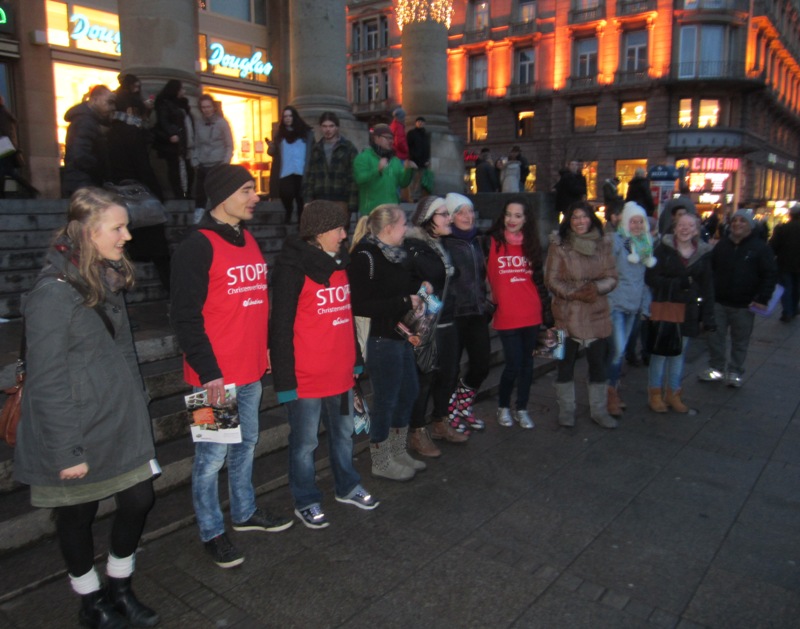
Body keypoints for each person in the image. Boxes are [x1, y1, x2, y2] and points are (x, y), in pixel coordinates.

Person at [14, 187, 159, 628]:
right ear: (87, 233)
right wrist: (66, 452)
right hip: (75, 429)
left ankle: (120, 584)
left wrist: (138, 408)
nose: (127, 235)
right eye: (117, 227)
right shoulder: (53, 294)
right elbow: (47, 380)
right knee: (77, 514)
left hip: (116, 421)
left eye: (126, 225)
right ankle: (90, 599)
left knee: (139, 498)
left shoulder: (104, 278)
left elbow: (124, 355)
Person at [170, 164, 293, 569]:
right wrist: (209, 373)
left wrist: (267, 350)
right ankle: (212, 530)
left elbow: (258, 303)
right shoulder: (196, 246)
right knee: (210, 459)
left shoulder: (248, 238)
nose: (255, 197)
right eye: (246, 190)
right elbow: (184, 317)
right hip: (213, 380)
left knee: (246, 446)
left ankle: (243, 512)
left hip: (252, 368)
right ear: (223, 196)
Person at [270, 200, 378, 529]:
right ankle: (306, 499)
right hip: (306, 380)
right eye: (339, 228)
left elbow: (346, 317)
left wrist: (356, 362)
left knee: (344, 434)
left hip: (342, 375)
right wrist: (285, 382)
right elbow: (280, 327)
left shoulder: (341, 264)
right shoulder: (292, 268)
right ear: (318, 232)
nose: (345, 234)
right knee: (305, 444)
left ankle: (347, 486)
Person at [349, 204, 422, 481]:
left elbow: (398, 286)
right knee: (386, 399)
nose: (407, 229)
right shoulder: (365, 256)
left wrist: (418, 292)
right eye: (404, 224)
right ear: (389, 227)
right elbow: (359, 303)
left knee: (409, 392)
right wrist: (403, 301)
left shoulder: (396, 254)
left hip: (400, 335)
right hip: (379, 339)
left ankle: (397, 449)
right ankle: (380, 459)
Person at [545, 201, 619, 429]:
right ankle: (566, 410)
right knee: (565, 364)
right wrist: (574, 293)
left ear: (591, 218)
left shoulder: (603, 244)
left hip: (596, 312)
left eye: (584, 216)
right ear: (569, 220)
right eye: (575, 217)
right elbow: (551, 279)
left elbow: (612, 276)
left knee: (598, 364)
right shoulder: (559, 246)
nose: (580, 221)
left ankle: (599, 410)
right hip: (566, 313)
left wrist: (596, 289)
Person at [405, 196, 469, 455]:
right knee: (425, 377)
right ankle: (417, 431)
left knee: (449, 372)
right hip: (426, 325)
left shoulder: (443, 245)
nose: (449, 218)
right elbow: (422, 284)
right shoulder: (414, 248)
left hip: (449, 319)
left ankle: (441, 420)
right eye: (443, 214)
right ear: (427, 219)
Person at [486, 196, 552, 429]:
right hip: (506, 315)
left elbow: (539, 282)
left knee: (527, 365)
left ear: (526, 219)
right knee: (513, 364)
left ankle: (521, 408)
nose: (512, 220)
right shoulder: (492, 241)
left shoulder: (531, 244)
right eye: (508, 214)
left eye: (518, 215)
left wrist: (548, 314)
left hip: (531, 313)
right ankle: (503, 406)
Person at [699, 209, 778, 387]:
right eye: (735, 220)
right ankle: (716, 368)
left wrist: (762, 298)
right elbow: (711, 270)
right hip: (719, 301)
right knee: (714, 337)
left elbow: (770, 274)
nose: (738, 224)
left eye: (743, 221)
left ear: (750, 225)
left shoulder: (760, 248)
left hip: (744, 304)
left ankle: (735, 371)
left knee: (740, 340)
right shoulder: (722, 245)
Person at [646, 214, 715, 413]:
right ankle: (655, 394)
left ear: (696, 229)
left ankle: (674, 393)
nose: (685, 228)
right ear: (675, 228)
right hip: (667, 306)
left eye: (690, 225)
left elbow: (708, 286)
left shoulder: (703, 253)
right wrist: (678, 284)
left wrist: (708, 315)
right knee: (660, 353)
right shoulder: (663, 249)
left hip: (690, 310)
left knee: (679, 354)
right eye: (681, 225)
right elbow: (651, 277)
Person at [442, 193, 493, 439]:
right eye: (460, 212)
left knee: (482, 364)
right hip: (454, 315)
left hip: (477, 312)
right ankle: (450, 411)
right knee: (450, 369)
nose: (467, 216)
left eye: (469, 211)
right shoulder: (445, 243)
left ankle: (463, 403)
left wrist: (488, 303)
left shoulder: (480, 241)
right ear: (451, 217)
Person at [606, 201, 655, 416]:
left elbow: (645, 280)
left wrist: (645, 307)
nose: (636, 225)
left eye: (640, 221)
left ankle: (610, 388)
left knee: (621, 351)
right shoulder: (618, 241)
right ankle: (610, 394)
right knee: (617, 352)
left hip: (634, 307)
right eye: (632, 221)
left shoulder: (646, 245)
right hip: (616, 305)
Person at [108, 74, 161, 197]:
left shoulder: (123, 99)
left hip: (130, 140)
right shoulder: (126, 99)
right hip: (128, 141)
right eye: (135, 86)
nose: (137, 89)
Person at [302, 111, 359, 224]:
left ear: (337, 127)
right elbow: (310, 176)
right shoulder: (316, 149)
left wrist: (352, 205)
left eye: (331, 126)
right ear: (320, 128)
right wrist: (307, 200)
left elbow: (353, 177)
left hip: (341, 199)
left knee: (340, 235)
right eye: (324, 126)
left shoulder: (348, 147)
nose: (328, 129)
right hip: (320, 199)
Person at [62, 85, 115, 198]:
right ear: (95, 100)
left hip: (82, 182)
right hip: (83, 183)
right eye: (109, 102)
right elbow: (79, 155)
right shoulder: (86, 122)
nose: (112, 107)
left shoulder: (88, 121)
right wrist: (98, 169)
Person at [353, 124, 414, 216]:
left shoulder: (395, 160)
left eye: (392, 138)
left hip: (392, 210)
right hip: (371, 211)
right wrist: (377, 170)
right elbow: (359, 179)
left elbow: (403, 183)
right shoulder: (363, 157)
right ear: (376, 138)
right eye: (387, 138)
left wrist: (408, 170)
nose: (391, 141)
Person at [267, 106, 314, 223]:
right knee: (285, 194)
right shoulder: (280, 135)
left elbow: (313, 149)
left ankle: (300, 221)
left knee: (300, 198)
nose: (287, 119)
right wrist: (271, 147)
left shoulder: (306, 133)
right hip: (286, 171)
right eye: (285, 116)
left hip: (301, 170)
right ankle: (289, 210)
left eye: (290, 116)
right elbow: (273, 153)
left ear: (295, 117)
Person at [192, 94, 233, 222]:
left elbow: (229, 144)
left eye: (208, 107)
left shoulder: (222, 123)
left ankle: (221, 218)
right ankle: (198, 219)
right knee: (200, 194)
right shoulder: (198, 123)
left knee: (218, 193)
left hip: (218, 164)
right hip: (203, 164)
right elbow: (196, 143)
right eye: (203, 107)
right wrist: (195, 160)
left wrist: (225, 162)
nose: (206, 109)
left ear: (213, 107)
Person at [153, 79, 189, 200]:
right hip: (172, 143)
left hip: (181, 141)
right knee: (174, 168)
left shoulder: (179, 103)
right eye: (181, 89)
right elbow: (164, 121)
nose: (184, 91)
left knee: (182, 168)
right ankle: (179, 193)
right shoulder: (165, 104)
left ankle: (183, 192)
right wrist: (172, 133)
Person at [0, 96, 38, 198]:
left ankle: (31, 189)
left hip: (5, 147)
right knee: (6, 171)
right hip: (7, 146)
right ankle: (30, 190)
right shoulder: (4, 113)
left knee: (6, 171)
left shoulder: (2, 114)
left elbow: (5, 132)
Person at [769, 202, 800, 321]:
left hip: (784, 263)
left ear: (790, 215)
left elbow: (773, 245)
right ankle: (794, 307)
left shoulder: (782, 228)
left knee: (785, 287)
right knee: (797, 286)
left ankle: (787, 311)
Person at [406, 116, 431, 200]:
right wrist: (410, 158)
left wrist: (427, 160)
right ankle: (413, 196)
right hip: (414, 160)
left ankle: (418, 196)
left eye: (422, 122)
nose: (420, 123)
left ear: (424, 123)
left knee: (420, 180)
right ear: (416, 123)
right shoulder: (411, 133)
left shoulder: (425, 134)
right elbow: (408, 147)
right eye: (419, 121)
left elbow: (427, 148)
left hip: (423, 161)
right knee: (413, 179)